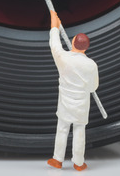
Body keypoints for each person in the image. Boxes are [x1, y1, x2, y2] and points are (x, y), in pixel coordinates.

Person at [47, 10, 99, 171]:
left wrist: (54, 27)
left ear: (73, 41)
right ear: (85, 48)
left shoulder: (63, 59)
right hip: (81, 105)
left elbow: (54, 46)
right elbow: (93, 87)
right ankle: (78, 163)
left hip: (64, 103)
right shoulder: (91, 65)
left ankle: (57, 159)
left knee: (62, 130)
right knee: (79, 132)